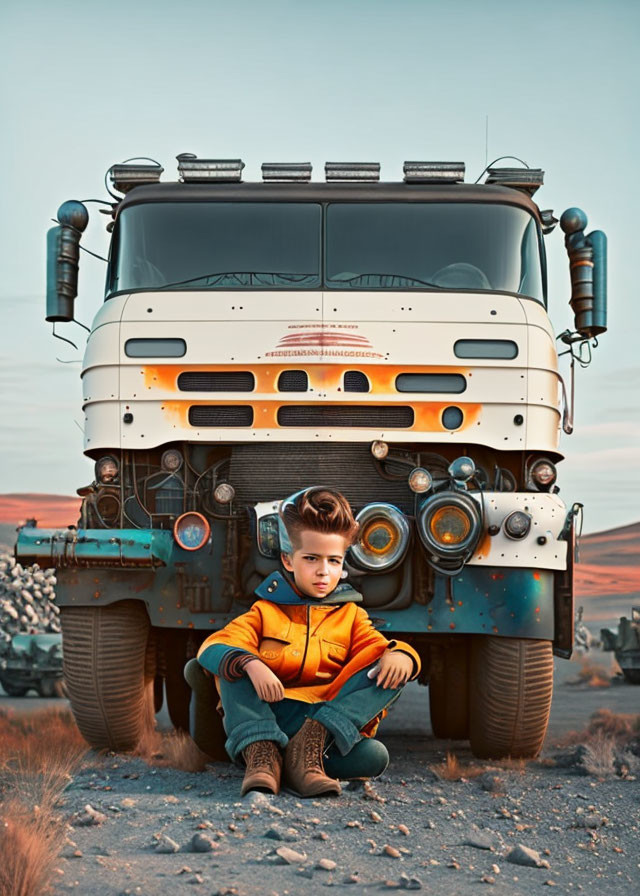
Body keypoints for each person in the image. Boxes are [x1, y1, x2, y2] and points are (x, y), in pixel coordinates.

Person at [196, 486, 421, 798]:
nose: (323, 571)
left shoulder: (352, 616)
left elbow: (377, 649)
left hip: (321, 721)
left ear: (343, 566)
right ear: (289, 561)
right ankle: (263, 755)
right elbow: (213, 646)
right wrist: (251, 663)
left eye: (333, 561)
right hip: (267, 715)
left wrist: (402, 655)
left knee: (388, 684)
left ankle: (305, 753)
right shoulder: (266, 611)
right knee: (230, 661)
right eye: (311, 558)